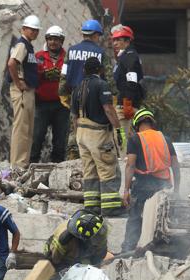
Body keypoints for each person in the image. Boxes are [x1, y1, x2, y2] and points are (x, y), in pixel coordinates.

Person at [71, 57, 125, 216]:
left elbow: (74, 116)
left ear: (83, 71)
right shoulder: (102, 85)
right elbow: (108, 109)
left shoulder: (77, 87)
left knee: (90, 171)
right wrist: (118, 129)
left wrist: (77, 135)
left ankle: (92, 207)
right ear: (99, 70)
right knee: (108, 169)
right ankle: (110, 208)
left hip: (81, 134)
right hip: (98, 135)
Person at [121, 109, 181, 252]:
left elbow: (130, 165)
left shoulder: (135, 139)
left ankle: (128, 250)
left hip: (143, 186)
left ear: (136, 124)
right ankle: (160, 249)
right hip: (164, 186)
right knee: (160, 218)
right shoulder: (165, 139)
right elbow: (175, 166)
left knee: (135, 218)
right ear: (152, 122)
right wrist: (177, 189)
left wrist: (126, 190)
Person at [59, 19, 106, 160]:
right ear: (95, 35)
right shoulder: (100, 52)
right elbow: (106, 76)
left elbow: (64, 74)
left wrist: (63, 94)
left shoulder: (71, 50)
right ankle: (90, 161)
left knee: (75, 130)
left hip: (75, 96)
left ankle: (72, 162)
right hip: (95, 98)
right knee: (93, 130)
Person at [30, 25, 70, 164]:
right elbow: (31, 77)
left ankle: (58, 167)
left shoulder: (67, 57)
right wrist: (43, 74)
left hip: (62, 105)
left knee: (60, 139)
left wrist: (62, 76)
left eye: (57, 39)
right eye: (51, 39)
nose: (53, 42)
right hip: (42, 104)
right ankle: (32, 164)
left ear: (62, 41)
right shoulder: (38, 56)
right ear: (47, 40)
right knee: (37, 136)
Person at [7, 15, 41, 173]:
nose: (34, 32)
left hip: (28, 91)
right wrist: (18, 82)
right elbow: (12, 63)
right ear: (24, 29)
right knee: (21, 128)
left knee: (27, 128)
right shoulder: (22, 45)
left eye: (36, 30)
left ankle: (22, 163)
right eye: (31, 29)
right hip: (22, 90)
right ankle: (18, 165)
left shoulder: (28, 46)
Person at [111, 25, 145, 155]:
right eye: (114, 40)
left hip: (126, 103)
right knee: (127, 134)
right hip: (127, 101)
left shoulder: (129, 56)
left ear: (127, 41)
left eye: (118, 40)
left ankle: (125, 159)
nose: (115, 43)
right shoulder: (125, 56)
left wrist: (127, 103)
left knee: (120, 133)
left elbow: (131, 81)